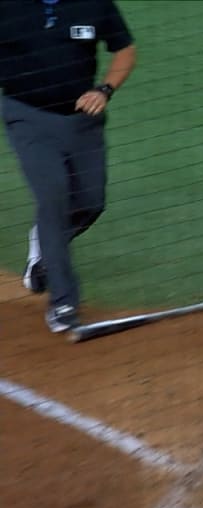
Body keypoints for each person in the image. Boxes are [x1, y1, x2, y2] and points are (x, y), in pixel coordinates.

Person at [0, 0, 136, 332]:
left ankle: (42, 247)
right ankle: (63, 303)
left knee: (91, 202)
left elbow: (125, 49)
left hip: (82, 122)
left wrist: (104, 90)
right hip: (26, 116)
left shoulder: (94, 4)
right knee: (53, 196)